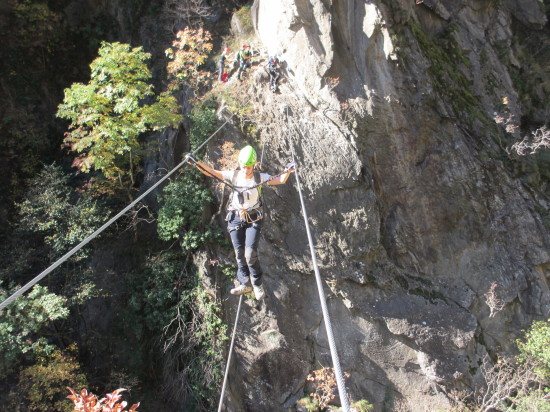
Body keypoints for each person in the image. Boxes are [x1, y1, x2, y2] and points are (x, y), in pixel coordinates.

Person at [185, 146, 295, 300]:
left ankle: (257, 284)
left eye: (248, 166)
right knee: (239, 254)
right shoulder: (234, 175)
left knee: (250, 254)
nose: (245, 169)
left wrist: (288, 170)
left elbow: (280, 180)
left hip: (254, 218)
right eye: (243, 166)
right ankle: (244, 283)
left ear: (254, 164)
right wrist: (197, 163)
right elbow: (212, 173)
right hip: (235, 217)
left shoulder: (259, 177)